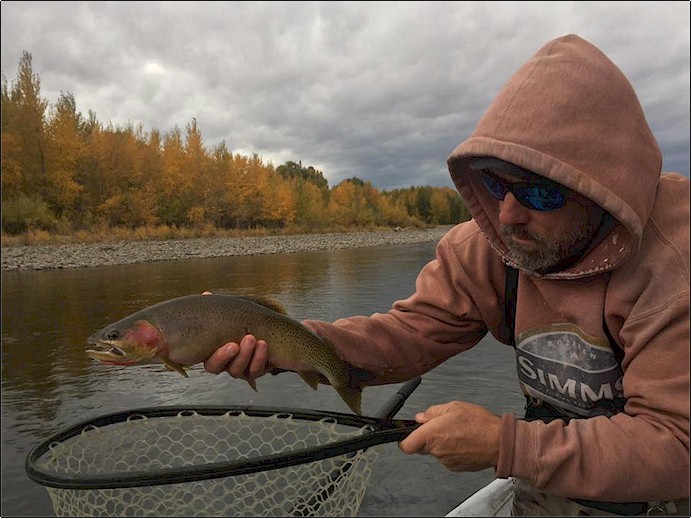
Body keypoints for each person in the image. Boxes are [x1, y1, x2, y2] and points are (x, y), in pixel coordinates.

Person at [204, 34, 690, 516]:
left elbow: (677, 447)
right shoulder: (493, 249)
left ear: (599, 191)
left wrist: (508, 446)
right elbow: (408, 336)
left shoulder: (673, 264)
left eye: (539, 194)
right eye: (496, 185)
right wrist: (288, 343)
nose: (508, 215)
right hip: (549, 494)